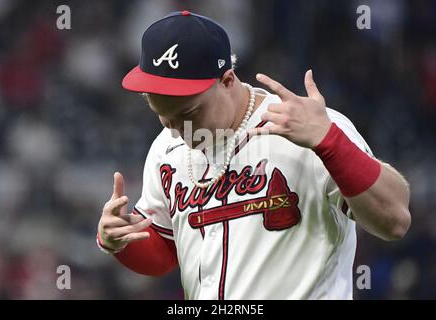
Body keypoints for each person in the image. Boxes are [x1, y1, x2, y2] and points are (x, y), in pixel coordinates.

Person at [96, 11, 411, 299]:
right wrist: (120, 241)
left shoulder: (309, 128)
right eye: (161, 114)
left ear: (228, 80)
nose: (177, 128)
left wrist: (330, 142)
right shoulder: (166, 148)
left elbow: (394, 219)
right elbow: (165, 252)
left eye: (187, 112)